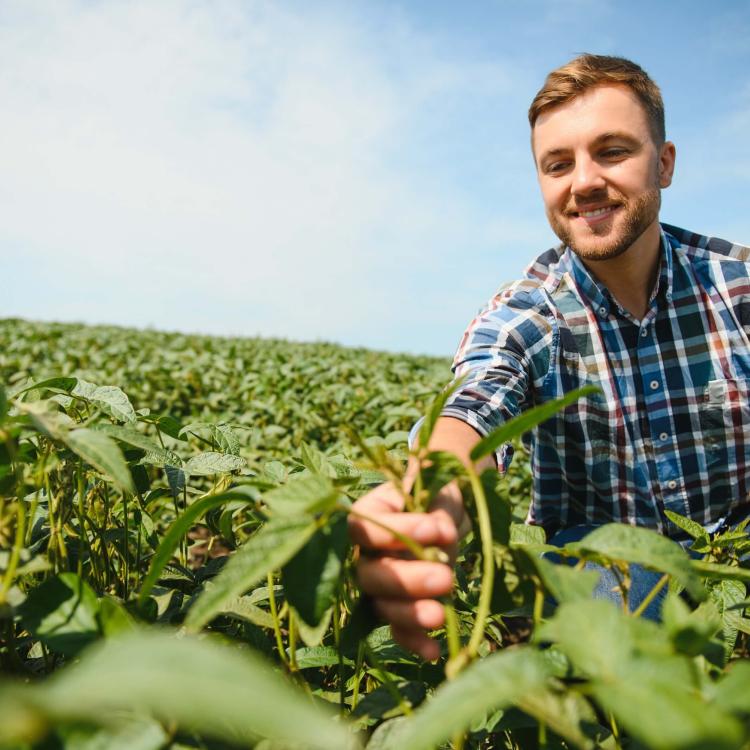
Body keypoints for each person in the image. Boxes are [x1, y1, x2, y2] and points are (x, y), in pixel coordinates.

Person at [348, 53, 750, 660]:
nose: (584, 181)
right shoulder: (529, 317)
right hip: (610, 572)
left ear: (664, 164)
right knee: (617, 607)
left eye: (612, 151)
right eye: (557, 164)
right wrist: (424, 503)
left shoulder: (736, 287)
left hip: (736, 555)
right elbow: (474, 411)